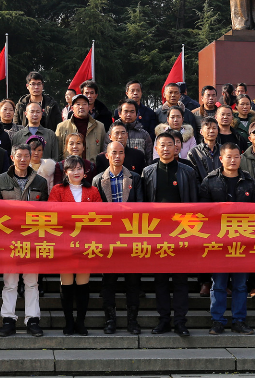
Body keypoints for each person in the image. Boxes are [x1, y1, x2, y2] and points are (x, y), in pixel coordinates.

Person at [199, 143, 255, 335]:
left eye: (236, 156)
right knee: (219, 283)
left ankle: (239, 320)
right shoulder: (209, 181)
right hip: (218, 242)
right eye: (229, 157)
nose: (232, 160)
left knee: (241, 284)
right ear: (221, 158)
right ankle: (217, 320)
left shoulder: (249, 181)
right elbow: (203, 213)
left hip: (242, 240)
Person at [140, 132, 198, 336]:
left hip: (181, 234)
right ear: (156, 149)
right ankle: (164, 319)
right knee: (161, 280)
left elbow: (194, 203)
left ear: (177, 148)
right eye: (161, 145)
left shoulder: (188, 172)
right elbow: (142, 205)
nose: (165, 148)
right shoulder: (147, 172)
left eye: (170, 145)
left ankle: (181, 321)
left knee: (181, 281)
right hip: (157, 235)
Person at [0, 144, 48, 337]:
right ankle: (8, 320)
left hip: (32, 239)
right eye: (19, 156)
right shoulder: (0, 180)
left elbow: (46, 212)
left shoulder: (40, 181)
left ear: (31, 157)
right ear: (12, 157)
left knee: (32, 282)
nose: (23, 159)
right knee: (10, 282)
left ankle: (32, 320)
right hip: (9, 239)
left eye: (26, 156)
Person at [92, 141, 143, 334]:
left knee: (133, 281)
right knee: (109, 282)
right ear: (107, 155)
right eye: (114, 153)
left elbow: (141, 207)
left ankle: (133, 321)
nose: (117, 156)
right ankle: (110, 320)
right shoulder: (98, 180)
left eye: (121, 153)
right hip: (108, 238)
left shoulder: (135, 178)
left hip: (130, 238)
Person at [49, 155, 101, 335]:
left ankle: (80, 322)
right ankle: (69, 321)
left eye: (79, 168)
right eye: (72, 169)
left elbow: (99, 215)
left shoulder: (93, 191)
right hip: (65, 241)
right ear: (66, 172)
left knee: (83, 284)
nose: (76, 172)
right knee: (67, 283)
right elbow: (53, 214)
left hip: (86, 242)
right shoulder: (58, 190)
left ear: (84, 172)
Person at [56, 94, 108, 164]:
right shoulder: (62, 127)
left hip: (93, 170)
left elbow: (103, 152)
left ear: (89, 107)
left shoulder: (99, 126)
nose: (81, 107)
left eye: (84, 104)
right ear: (72, 108)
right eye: (78, 104)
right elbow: (57, 152)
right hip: (69, 169)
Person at [189, 117, 221, 183]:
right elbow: (194, 177)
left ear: (218, 131)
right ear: (201, 132)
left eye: (214, 128)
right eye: (208, 128)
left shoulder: (224, 150)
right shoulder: (194, 152)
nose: (211, 131)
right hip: (203, 189)